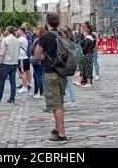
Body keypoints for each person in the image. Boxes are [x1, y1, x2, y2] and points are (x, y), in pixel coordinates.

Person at [35, 14, 68, 144]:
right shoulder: (63, 34)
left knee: (55, 105)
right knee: (59, 102)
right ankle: (56, 128)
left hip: (51, 73)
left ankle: (61, 135)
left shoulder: (45, 36)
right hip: (62, 72)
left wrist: (44, 58)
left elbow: (37, 54)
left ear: (47, 22)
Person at [0, 26, 20, 104]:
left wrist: (0, 60)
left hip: (6, 62)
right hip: (14, 62)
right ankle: (12, 97)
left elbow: (2, 52)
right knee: (13, 81)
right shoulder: (17, 40)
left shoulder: (5, 40)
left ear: (8, 31)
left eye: (6, 30)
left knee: (2, 80)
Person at [29, 25, 46, 99]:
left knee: (38, 77)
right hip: (41, 60)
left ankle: (41, 93)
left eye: (37, 30)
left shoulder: (38, 40)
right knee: (36, 76)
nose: (35, 31)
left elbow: (31, 50)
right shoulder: (45, 39)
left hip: (37, 61)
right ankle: (36, 92)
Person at [64, 27, 77, 106]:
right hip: (72, 64)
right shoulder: (73, 42)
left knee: (68, 83)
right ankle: (72, 99)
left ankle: (70, 100)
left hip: (67, 64)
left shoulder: (67, 44)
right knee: (70, 82)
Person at [17, 27, 31, 94]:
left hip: (22, 57)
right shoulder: (24, 38)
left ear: (21, 31)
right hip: (24, 57)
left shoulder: (21, 38)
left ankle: (24, 87)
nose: (17, 31)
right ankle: (27, 85)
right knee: (26, 71)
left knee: (23, 72)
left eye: (18, 30)